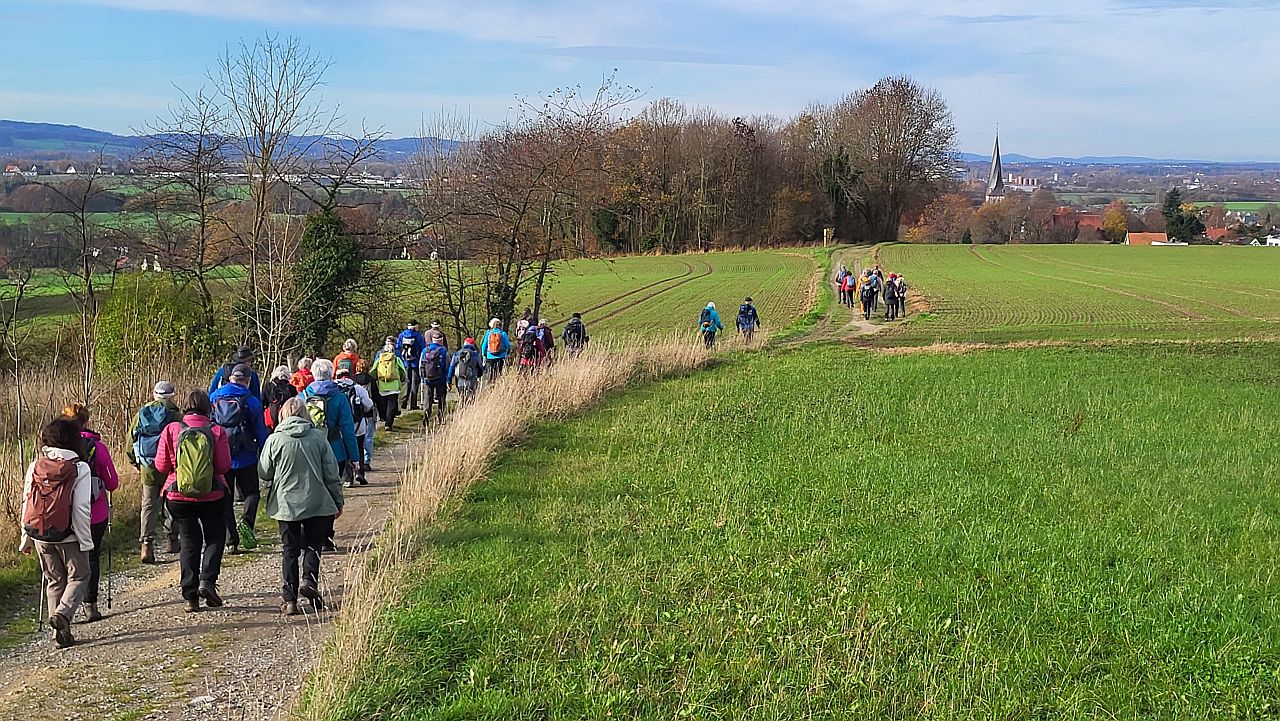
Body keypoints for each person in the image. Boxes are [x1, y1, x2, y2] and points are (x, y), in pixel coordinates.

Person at [260, 397, 343, 616]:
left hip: (285, 504)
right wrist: (337, 500)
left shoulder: (274, 440)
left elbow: (264, 472)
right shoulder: (318, 437)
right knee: (313, 545)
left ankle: (290, 600)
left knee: (289, 550)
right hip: (316, 501)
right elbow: (331, 473)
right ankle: (309, 580)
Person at [155, 389, 233, 612]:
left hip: (178, 495)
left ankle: (190, 596)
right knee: (215, 537)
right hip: (213, 494)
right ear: (208, 408)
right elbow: (223, 466)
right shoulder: (216, 431)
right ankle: (207, 582)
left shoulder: (172, 429)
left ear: (185, 407)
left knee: (189, 541)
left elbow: (161, 466)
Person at [20, 418, 95, 647]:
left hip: (40, 533)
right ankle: (62, 615)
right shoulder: (80, 468)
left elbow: (26, 501)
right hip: (69, 535)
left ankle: (60, 635)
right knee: (80, 576)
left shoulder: (36, 465)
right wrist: (85, 540)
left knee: (54, 580)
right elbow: (81, 508)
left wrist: (26, 537)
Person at [60, 403, 119, 623]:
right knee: (91, 557)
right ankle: (90, 605)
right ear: (86, 421)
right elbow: (113, 483)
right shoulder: (97, 447)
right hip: (95, 512)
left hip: (61, 513)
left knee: (66, 560)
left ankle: (64, 609)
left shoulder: (55, 448)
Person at [209, 364, 269, 555]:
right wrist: (265, 449)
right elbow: (260, 430)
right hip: (246, 456)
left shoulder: (214, 397)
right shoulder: (251, 401)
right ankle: (247, 522)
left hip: (221, 456)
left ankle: (231, 540)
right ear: (248, 381)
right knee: (252, 493)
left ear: (230, 378)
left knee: (225, 498)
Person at [300, 360, 359, 552]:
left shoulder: (304, 395)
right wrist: (355, 457)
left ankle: (308, 534)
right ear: (331, 374)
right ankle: (326, 536)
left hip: (308, 451)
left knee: (310, 490)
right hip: (335, 450)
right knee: (331, 492)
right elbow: (348, 429)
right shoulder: (339, 397)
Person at [129, 381, 181, 564]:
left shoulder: (142, 413)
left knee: (149, 505)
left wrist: (136, 462)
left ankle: (146, 545)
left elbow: (130, 440)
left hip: (148, 467)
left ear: (154, 394)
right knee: (172, 502)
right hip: (170, 467)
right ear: (172, 395)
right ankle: (172, 539)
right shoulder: (175, 415)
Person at [334, 366, 375, 485]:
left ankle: (348, 478)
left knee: (344, 451)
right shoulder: (357, 388)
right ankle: (360, 473)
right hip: (359, 425)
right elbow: (368, 404)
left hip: (341, 426)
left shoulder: (334, 388)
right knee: (359, 448)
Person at [370, 336, 408, 431]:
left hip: (382, 385)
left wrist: (374, 379)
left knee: (384, 403)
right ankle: (388, 424)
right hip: (394, 385)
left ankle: (385, 419)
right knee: (392, 405)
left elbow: (373, 370)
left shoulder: (380, 359)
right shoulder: (396, 359)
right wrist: (403, 379)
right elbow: (402, 370)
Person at [420, 332, 451, 426]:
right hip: (440, 379)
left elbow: (421, 365)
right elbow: (448, 366)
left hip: (427, 379)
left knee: (427, 397)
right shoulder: (443, 351)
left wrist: (422, 378)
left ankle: (426, 413)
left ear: (432, 340)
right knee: (441, 398)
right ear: (441, 340)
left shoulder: (425, 350)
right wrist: (448, 379)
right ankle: (440, 417)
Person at [351, 359, 377, 470]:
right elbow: (376, 396)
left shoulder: (352, 381)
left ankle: (355, 460)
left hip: (356, 413)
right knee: (369, 437)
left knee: (356, 436)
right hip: (370, 411)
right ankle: (366, 461)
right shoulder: (371, 380)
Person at [395, 320, 427, 411]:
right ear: (415, 326)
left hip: (405, 362)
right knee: (414, 383)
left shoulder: (402, 335)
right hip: (415, 362)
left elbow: (398, 347)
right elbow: (422, 348)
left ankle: (404, 402)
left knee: (407, 382)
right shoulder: (418, 336)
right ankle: (413, 404)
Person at [450, 337, 484, 405]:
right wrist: (479, 375)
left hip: (460, 382)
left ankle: (462, 412)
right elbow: (481, 368)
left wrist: (449, 380)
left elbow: (451, 367)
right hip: (471, 382)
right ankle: (469, 412)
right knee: (471, 400)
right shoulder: (476, 355)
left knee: (462, 399)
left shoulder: (457, 354)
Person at [263, 365, 298, 430]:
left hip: (271, 418)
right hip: (287, 417)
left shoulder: (268, 386)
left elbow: (263, 402)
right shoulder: (292, 388)